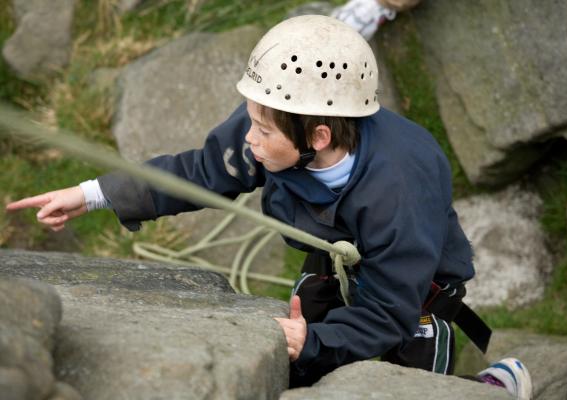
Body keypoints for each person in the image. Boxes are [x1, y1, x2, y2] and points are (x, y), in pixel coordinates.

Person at [5, 15, 533, 399]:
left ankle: (489, 390)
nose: (249, 138)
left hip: (409, 298)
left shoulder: (398, 188)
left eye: (260, 128)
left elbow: (389, 313)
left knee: (403, 388)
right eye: (250, 119)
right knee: (298, 369)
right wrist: (92, 193)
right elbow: (201, 172)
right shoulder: (279, 120)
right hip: (334, 268)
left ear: (318, 135)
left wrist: (319, 339)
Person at [331, 0, 421, 40]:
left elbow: (401, 4)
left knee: (356, 32)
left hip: (376, 11)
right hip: (365, 6)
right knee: (342, 17)